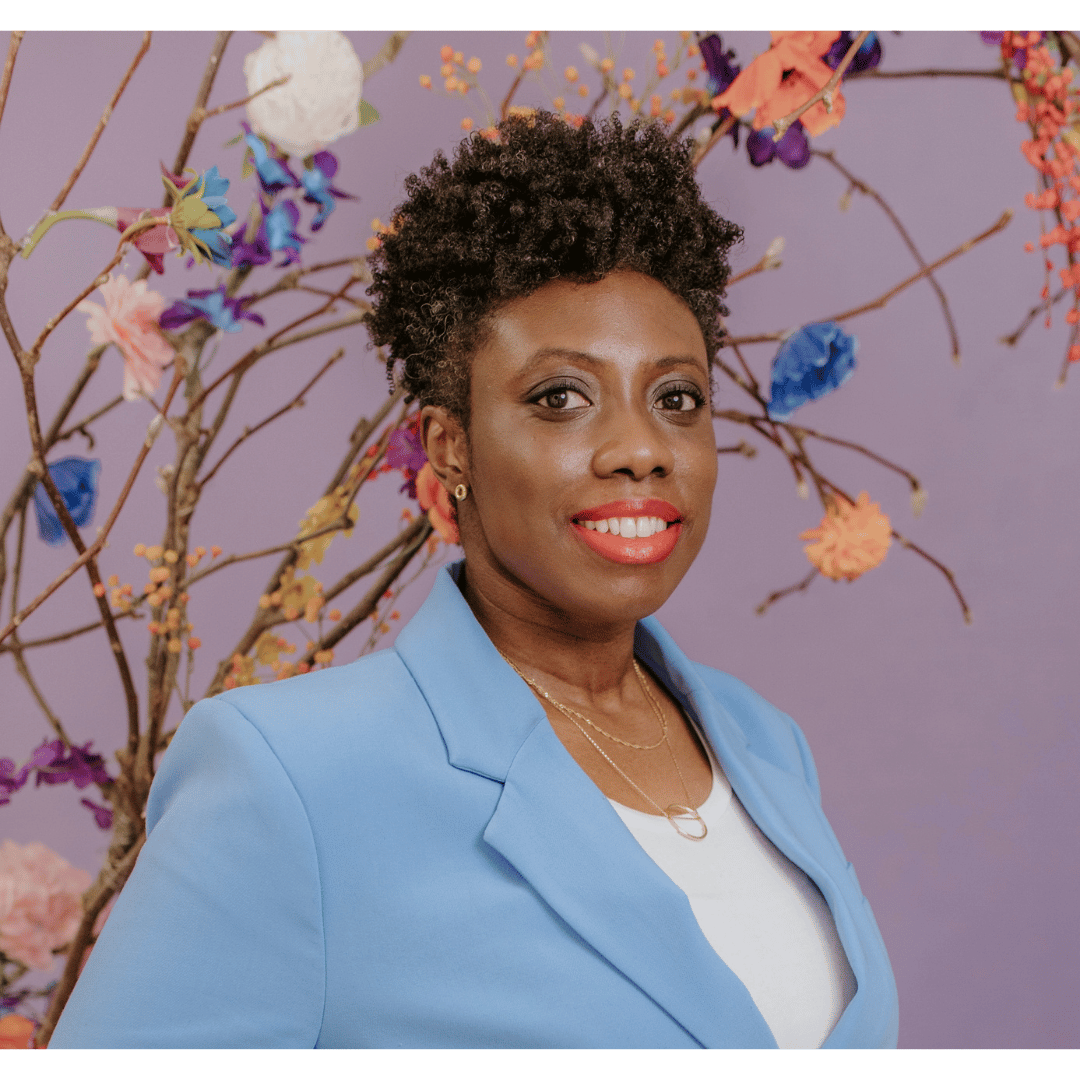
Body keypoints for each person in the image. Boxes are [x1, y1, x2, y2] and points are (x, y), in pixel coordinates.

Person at [50, 112, 898, 1050]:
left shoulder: (765, 745)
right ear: (449, 447)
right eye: (561, 398)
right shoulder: (290, 781)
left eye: (677, 399)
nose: (640, 450)